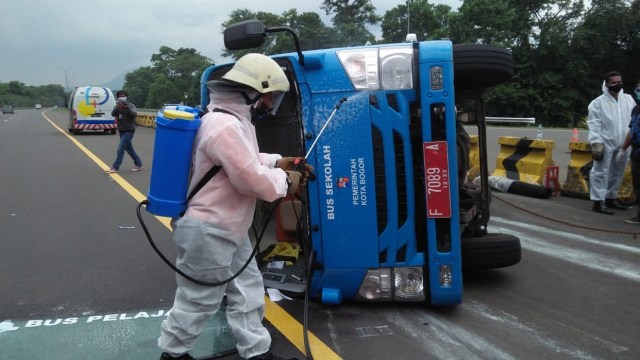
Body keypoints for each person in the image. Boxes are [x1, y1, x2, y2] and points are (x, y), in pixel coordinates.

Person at [157, 53, 312, 360]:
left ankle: (256, 352)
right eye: (268, 97)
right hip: (210, 228)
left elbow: (248, 161)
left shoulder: (231, 121)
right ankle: (172, 354)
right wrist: (286, 180)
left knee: (247, 288)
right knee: (199, 298)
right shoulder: (224, 125)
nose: (269, 104)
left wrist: (278, 162)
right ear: (251, 92)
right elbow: (249, 179)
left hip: (228, 227)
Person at [587, 71, 636, 214]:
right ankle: (598, 201)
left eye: (619, 82)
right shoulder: (597, 103)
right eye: (614, 82)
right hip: (605, 142)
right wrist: (596, 142)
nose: (617, 85)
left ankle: (610, 198)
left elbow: (632, 121)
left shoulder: (628, 100)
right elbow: (594, 124)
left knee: (618, 172)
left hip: (623, 144)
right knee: (600, 172)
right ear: (607, 84)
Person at [618, 79, 640, 223]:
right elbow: (631, 131)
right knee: (638, 183)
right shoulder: (636, 109)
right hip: (637, 151)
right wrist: (623, 149)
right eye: (638, 88)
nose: (638, 91)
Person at [106, 90, 143, 173]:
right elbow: (113, 114)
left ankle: (115, 167)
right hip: (121, 130)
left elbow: (135, 114)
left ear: (126, 97)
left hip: (129, 130)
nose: (122, 98)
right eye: (120, 96)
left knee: (120, 148)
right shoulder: (118, 106)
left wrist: (127, 108)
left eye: (123, 96)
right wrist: (117, 107)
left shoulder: (131, 105)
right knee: (129, 149)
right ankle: (138, 164)